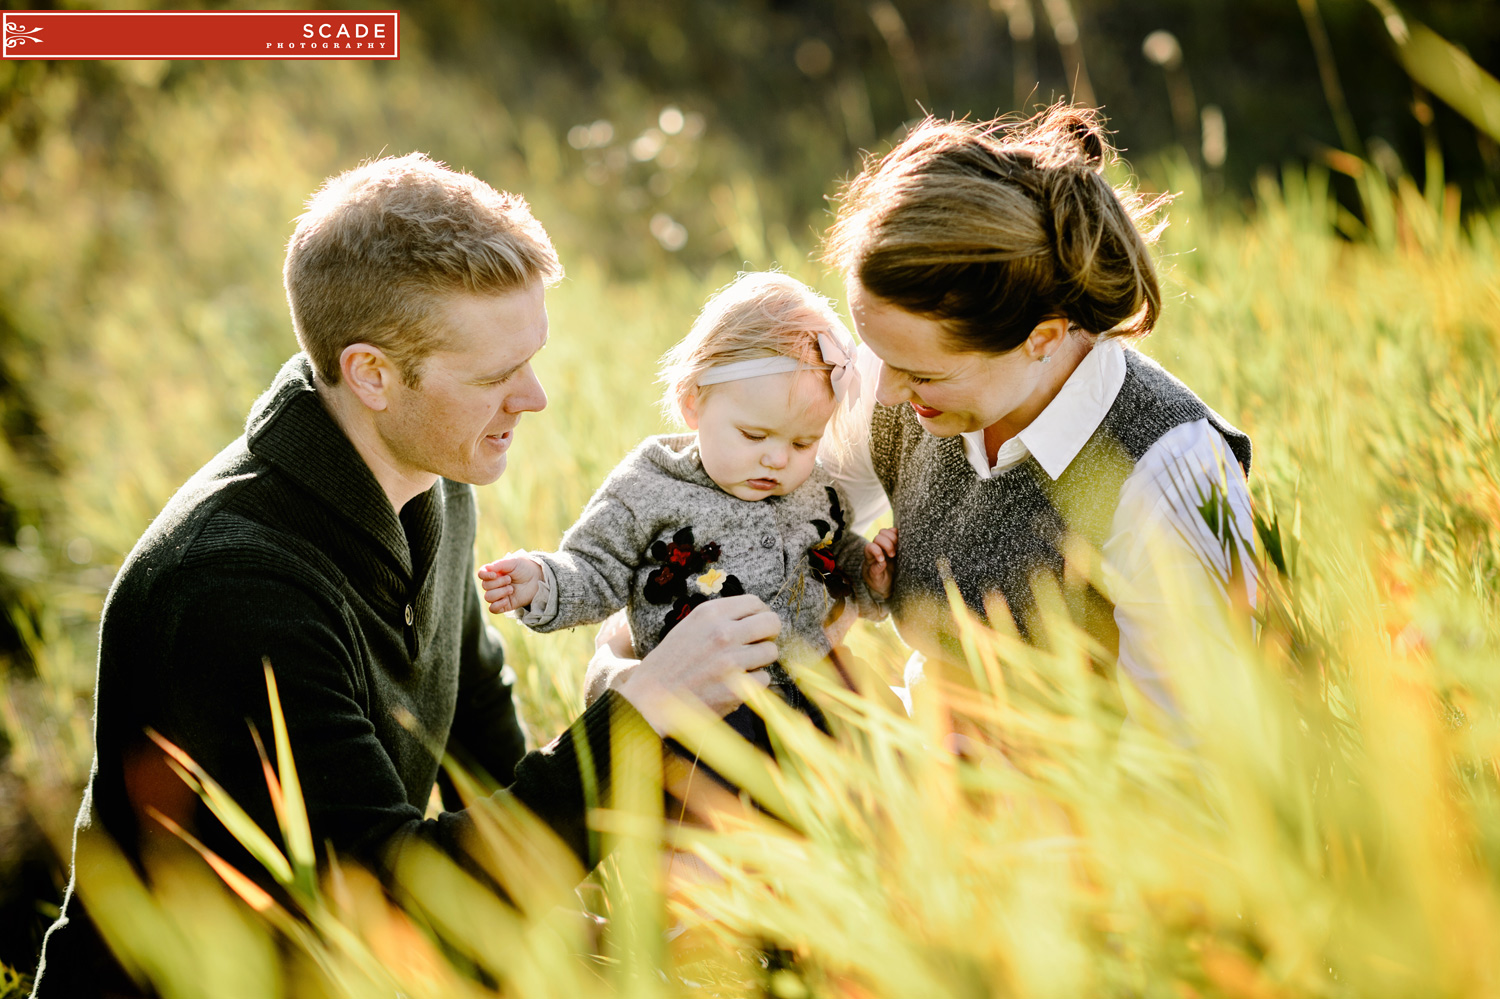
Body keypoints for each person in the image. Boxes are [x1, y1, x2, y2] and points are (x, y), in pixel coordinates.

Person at [30, 153, 781, 998]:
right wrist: (638, 717)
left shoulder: (432, 478)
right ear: (372, 374)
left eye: (530, 358)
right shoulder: (233, 589)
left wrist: (606, 934)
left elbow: (477, 750)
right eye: (497, 376)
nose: (533, 398)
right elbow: (384, 891)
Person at [817, 104, 1256, 721]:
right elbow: (764, 528)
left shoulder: (1172, 471)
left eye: (923, 374)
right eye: (879, 355)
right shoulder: (903, 371)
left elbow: (1200, 751)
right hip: (920, 764)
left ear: (1043, 338)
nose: (885, 391)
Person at [478, 272, 879, 754]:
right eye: (754, 436)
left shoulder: (816, 490)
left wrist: (871, 575)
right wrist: (542, 580)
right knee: (705, 790)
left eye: (802, 442)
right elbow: (595, 565)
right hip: (705, 703)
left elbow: (834, 557)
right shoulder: (652, 485)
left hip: (816, 689)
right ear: (694, 404)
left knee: (877, 729)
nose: (777, 458)